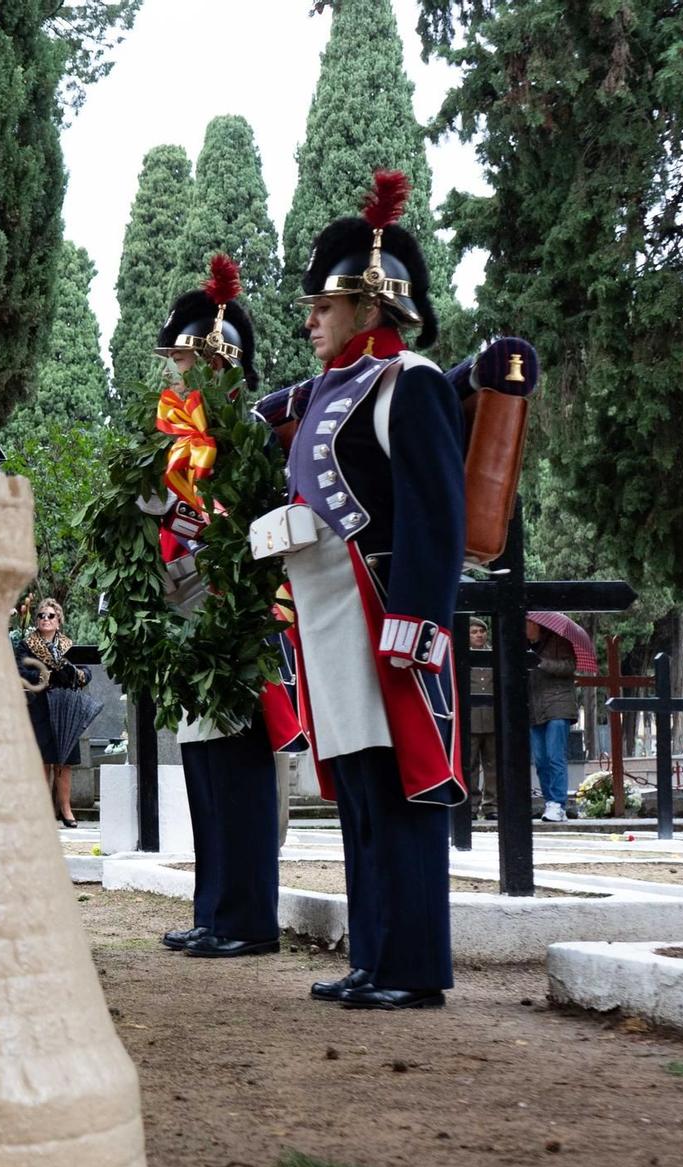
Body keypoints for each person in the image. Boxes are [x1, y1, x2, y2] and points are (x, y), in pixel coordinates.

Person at [273, 170, 465, 1010]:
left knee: (399, 787)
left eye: (324, 303)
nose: (311, 318)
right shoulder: (323, 392)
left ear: (371, 302)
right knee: (356, 789)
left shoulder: (410, 380)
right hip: (327, 611)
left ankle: (413, 964)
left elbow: (435, 513)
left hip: (384, 607)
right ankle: (373, 953)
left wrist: (421, 620)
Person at [142, 257, 288, 959]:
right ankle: (215, 908)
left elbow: (255, 522)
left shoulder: (247, 433)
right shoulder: (184, 440)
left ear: (212, 359)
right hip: (191, 611)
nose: (172, 371)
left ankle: (248, 917)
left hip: (237, 616)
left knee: (237, 769)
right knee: (203, 767)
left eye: (179, 358)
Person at [16, 599, 98, 827]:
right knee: (43, 758)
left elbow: (86, 672)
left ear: (58, 621)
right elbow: (20, 670)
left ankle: (66, 808)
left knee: (65, 760)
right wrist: (46, 676)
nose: (45, 619)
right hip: (40, 704)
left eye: (51, 615)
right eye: (41, 615)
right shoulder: (26, 645)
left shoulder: (68, 646)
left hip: (65, 705)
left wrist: (74, 675)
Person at [527, 617, 578, 823]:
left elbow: (569, 666)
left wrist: (541, 663)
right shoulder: (522, 646)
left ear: (535, 624)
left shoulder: (559, 640)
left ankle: (558, 802)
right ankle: (550, 802)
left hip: (559, 705)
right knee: (540, 759)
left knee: (555, 756)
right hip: (534, 708)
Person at [465, 619, 497, 820]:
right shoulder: (463, 655)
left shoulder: (494, 653)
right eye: (474, 632)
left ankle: (491, 806)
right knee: (471, 765)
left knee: (492, 766)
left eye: (482, 631)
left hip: (492, 719)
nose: (479, 635)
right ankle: (470, 806)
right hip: (471, 719)